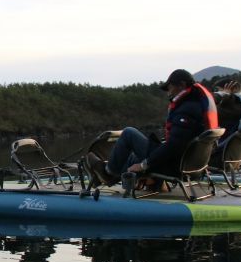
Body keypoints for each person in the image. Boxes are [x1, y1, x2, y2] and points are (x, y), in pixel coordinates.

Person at [86, 69, 218, 185]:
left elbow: (174, 146)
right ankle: (105, 177)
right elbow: (179, 142)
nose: (168, 93)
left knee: (129, 133)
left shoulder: (186, 110)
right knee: (134, 157)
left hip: (174, 166)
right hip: (190, 165)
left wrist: (145, 164)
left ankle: (108, 172)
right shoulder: (196, 105)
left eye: (170, 88)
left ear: (182, 85)